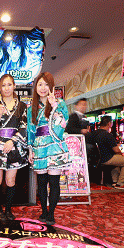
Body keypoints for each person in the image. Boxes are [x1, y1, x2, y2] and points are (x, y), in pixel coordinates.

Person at [27, 72, 71, 225]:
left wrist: (54, 106)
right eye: (40, 84)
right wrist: (30, 149)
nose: (43, 88)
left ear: (51, 86)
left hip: (54, 147)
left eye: (46, 84)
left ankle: (51, 213)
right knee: (41, 183)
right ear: (36, 87)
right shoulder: (31, 108)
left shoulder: (60, 103)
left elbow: (64, 123)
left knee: (53, 182)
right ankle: (44, 211)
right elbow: (30, 130)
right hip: (39, 147)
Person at [0, 73, 29, 222]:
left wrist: (13, 141)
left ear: (14, 86)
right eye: (3, 85)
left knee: (11, 180)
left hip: (13, 147)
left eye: (9, 84)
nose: (6, 88)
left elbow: (24, 126)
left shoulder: (22, 106)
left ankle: (8, 209)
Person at [87, 115, 124, 189]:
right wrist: (122, 154)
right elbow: (116, 150)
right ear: (109, 123)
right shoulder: (107, 135)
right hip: (106, 159)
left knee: (118, 161)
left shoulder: (93, 134)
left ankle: (115, 182)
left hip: (95, 159)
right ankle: (121, 183)